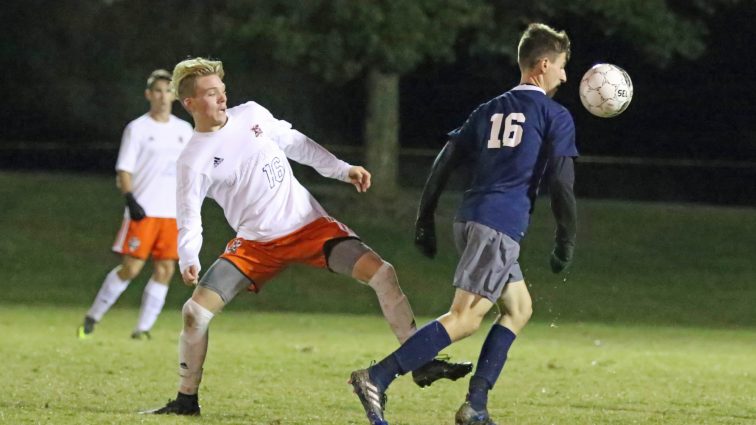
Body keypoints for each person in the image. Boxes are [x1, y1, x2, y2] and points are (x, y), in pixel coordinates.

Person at [142, 57, 471, 416]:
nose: (221, 99)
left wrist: (342, 170)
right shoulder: (193, 158)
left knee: (383, 273)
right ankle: (186, 399)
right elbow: (189, 216)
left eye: (222, 91)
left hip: (308, 227)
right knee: (194, 313)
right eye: (210, 94)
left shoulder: (251, 115)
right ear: (189, 103)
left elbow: (298, 144)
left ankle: (419, 362)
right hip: (255, 244)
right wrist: (189, 257)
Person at [350, 23, 578, 425]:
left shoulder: (489, 109)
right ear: (543, 65)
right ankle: (376, 377)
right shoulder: (553, 114)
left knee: (519, 308)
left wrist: (426, 218)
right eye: (561, 67)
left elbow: (444, 162)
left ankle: (476, 405)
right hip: (498, 226)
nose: (564, 76)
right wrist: (565, 237)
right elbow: (561, 181)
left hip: (472, 217)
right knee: (465, 318)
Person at [77, 69, 193, 340]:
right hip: (144, 210)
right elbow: (124, 170)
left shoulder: (183, 130)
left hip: (171, 212)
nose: (163, 97)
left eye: (168, 91)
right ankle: (94, 315)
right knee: (131, 268)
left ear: (175, 95)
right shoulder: (138, 128)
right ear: (148, 95)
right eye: (158, 91)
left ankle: (142, 329)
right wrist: (131, 199)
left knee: (166, 270)